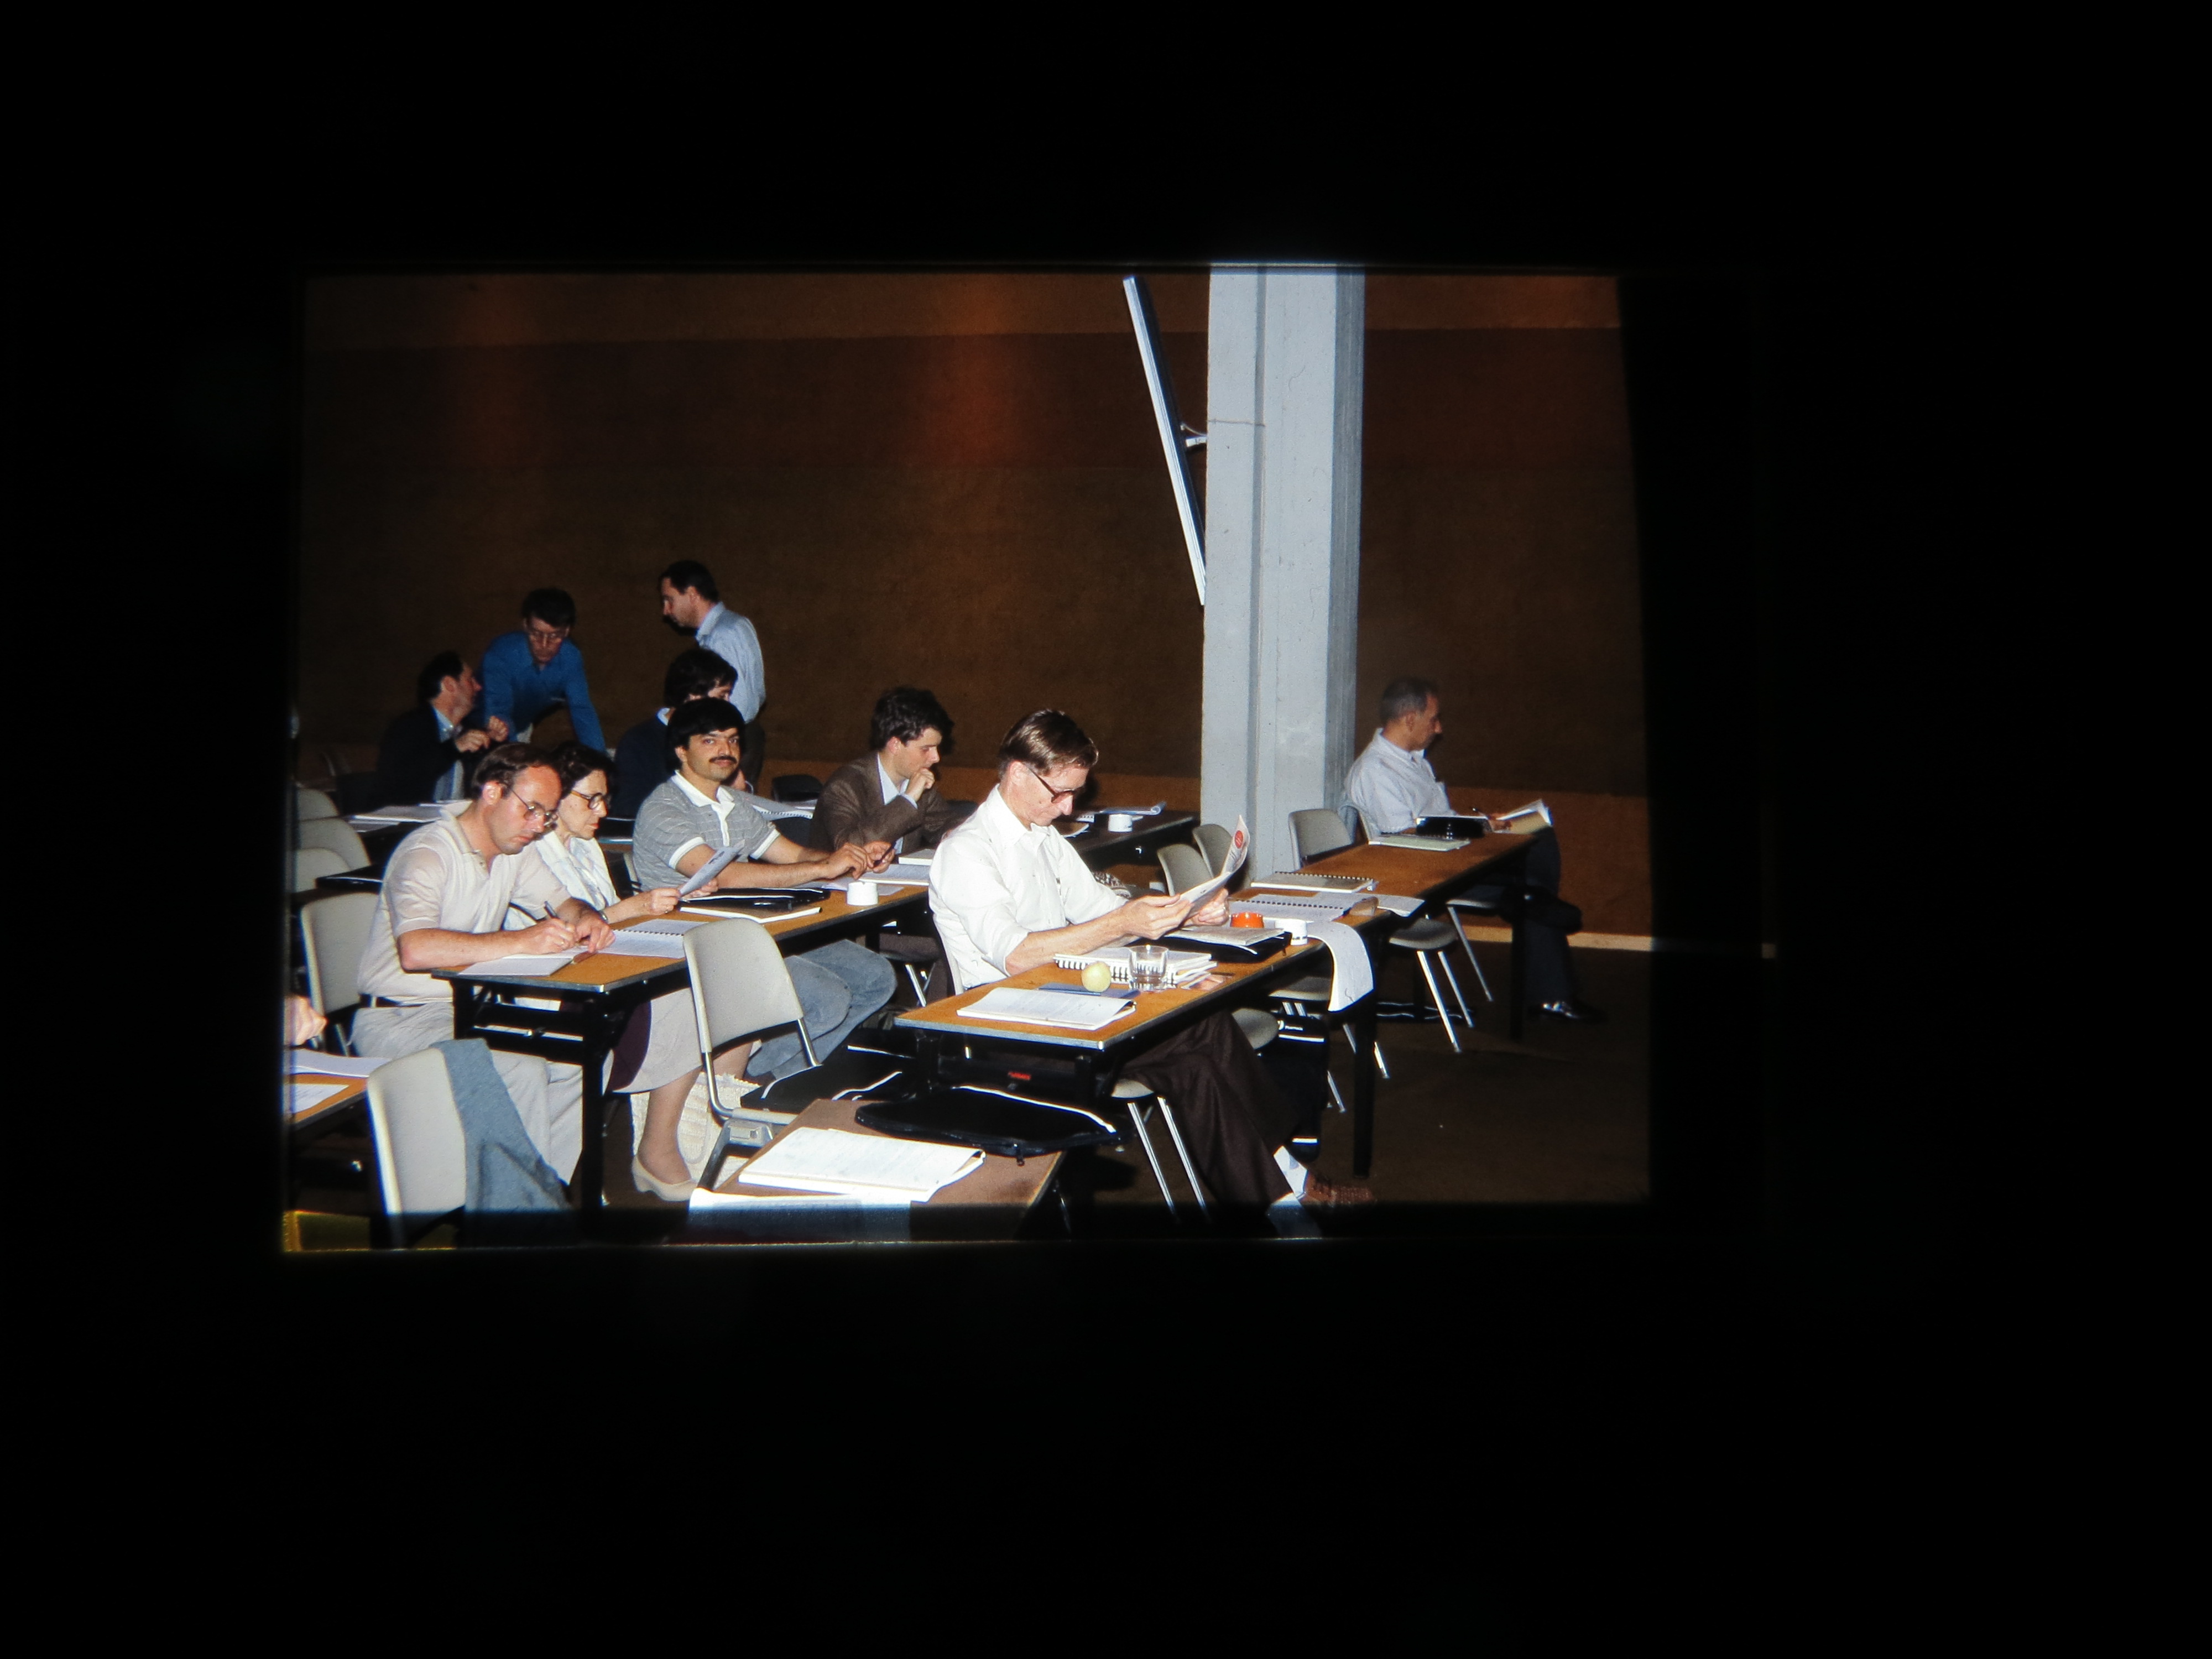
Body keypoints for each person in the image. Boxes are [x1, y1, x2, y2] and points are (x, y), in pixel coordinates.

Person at [930, 709, 1370, 1213]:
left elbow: (1101, 909)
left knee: (1204, 1035)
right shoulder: (968, 851)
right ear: (1017, 773)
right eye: (1060, 793)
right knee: (1194, 1051)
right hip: (1007, 1029)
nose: (1069, 807)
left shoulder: (1042, 835)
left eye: (1075, 793)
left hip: (1061, 1003)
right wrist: (1122, 923)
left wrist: (1183, 913)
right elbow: (1015, 956)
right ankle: (1286, 1201)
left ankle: (1286, 1187)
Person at [352, 743, 615, 1181]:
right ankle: (520, 1203)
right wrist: (521, 942)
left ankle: (538, 1189)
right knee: (522, 1069)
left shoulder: (515, 851)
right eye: (532, 810)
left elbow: (564, 902)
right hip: (399, 1018)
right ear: (493, 792)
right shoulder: (428, 853)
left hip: (469, 1011)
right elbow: (416, 950)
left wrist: (587, 918)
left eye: (547, 816)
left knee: (585, 1059)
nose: (538, 826)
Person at [516, 742, 755, 1201]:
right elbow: (568, 930)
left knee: (728, 990)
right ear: (555, 798)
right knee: (689, 998)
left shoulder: (585, 847)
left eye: (604, 799)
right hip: (558, 989)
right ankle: (657, 1146)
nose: (603, 811)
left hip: (607, 971)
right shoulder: (533, 854)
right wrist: (636, 907)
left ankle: (700, 1138)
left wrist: (669, 902)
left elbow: (607, 921)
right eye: (591, 799)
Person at [629, 698, 896, 1084]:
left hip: (752, 930)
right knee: (827, 998)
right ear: (681, 750)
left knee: (876, 977)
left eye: (733, 740)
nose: (726, 750)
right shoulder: (664, 808)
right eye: (710, 741)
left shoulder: (732, 803)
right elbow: (724, 875)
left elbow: (793, 855)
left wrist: (850, 857)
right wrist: (822, 868)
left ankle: (777, 1077)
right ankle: (749, 1082)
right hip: (696, 944)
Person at [1343, 676, 1603, 1023]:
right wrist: (1474, 832)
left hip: (1453, 858)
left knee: (1539, 837)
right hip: (1429, 875)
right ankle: (1547, 965)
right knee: (1527, 889)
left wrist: (1482, 823)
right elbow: (1405, 840)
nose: (1439, 728)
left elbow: (1440, 819)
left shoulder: (1415, 762)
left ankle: (1538, 908)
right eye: (1434, 719)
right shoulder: (1375, 771)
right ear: (1410, 719)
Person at [806, 686, 966, 855]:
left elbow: (944, 821)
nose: (936, 758)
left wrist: (953, 833)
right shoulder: (846, 784)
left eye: (937, 748)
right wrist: (908, 799)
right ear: (895, 745)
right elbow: (850, 849)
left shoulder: (917, 778)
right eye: (926, 749)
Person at [658, 560, 764, 790]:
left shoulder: (721, 636)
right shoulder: (735, 624)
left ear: (692, 595)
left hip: (726, 740)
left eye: (670, 600)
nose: (666, 611)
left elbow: (735, 703)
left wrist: (715, 740)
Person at [610, 648, 735, 817]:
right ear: (694, 696)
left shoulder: (723, 738)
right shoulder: (639, 742)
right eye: (722, 696)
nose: (728, 704)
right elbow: (628, 808)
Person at [373, 651, 510, 807]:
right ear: (449, 684)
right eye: (470, 680)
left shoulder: (469, 730)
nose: (478, 687)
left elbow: (492, 779)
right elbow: (400, 779)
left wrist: (495, 743)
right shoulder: (408, 728)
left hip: (456, 817)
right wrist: (454, 748)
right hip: (412, 818)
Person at [478, 587, 606, 752]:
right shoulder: (500, 655)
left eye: (554, 636)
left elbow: (582, 710)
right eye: (536, 634)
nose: (544, 645)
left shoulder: (571, 656)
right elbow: (499, 713)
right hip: (478, 730)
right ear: (526, 625)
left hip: (522, 728)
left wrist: (598, 759)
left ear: (567, 631)